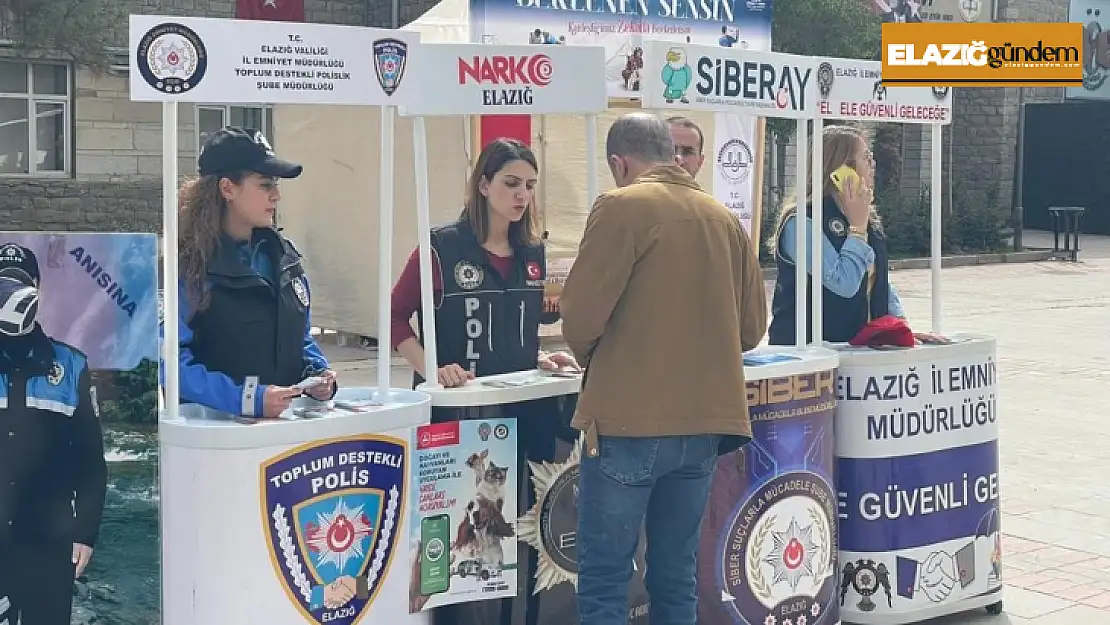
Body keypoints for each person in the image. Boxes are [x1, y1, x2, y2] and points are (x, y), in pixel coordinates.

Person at [559, 113, 767, 625]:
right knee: (676, 574)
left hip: (627, 421)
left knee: (606, 577)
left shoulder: (619, 206)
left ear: (619, 162)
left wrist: (600, 357)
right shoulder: (721, 216)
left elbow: (581, 318)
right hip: (704, 424)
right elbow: (752, 328)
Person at [390, 138, 576, 625]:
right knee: (465, 544)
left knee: (523, 532)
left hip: (526, 414)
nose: (522, 196)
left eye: (530, 186)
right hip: (463, 422)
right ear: (484, 184)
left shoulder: (533, 252)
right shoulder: (441, 247)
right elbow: (393, 318)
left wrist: (541, 359)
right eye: (512, 183)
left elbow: (517, 331)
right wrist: (432, 368)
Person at [166, 126, 337, 418]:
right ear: (227, 188)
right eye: (265, 185)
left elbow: (299, 335)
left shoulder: (285, 258)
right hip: (215, 439)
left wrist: (317, 372)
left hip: (286, 435)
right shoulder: (184, 266)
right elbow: (169, 362)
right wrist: (246, 399)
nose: (277, 196)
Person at [0, 243, 107, 625]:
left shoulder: (70, 366)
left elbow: (92, 462)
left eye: (19, 283)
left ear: (37, 288)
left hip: (50, 543)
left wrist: (85, 532)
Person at [766, 124, 906, 346]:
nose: (873, 165)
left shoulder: (865, 215)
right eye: (866, 158)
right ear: (842, 170)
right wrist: (857, 231)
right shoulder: (802, 220)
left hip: (857, 347)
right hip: (809, 350)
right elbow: (844, 284)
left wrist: (899, 324)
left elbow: (878, 280)